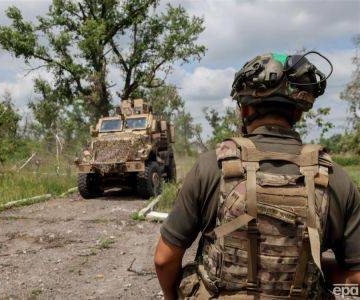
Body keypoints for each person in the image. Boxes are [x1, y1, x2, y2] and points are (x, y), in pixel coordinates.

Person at [154, 53, 360, 299]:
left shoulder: (210, 166)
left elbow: (164, 260)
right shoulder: (335, 178)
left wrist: (170, 296)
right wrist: (316, 270)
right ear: (297, 114)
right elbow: (356, 281)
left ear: (245, 109)